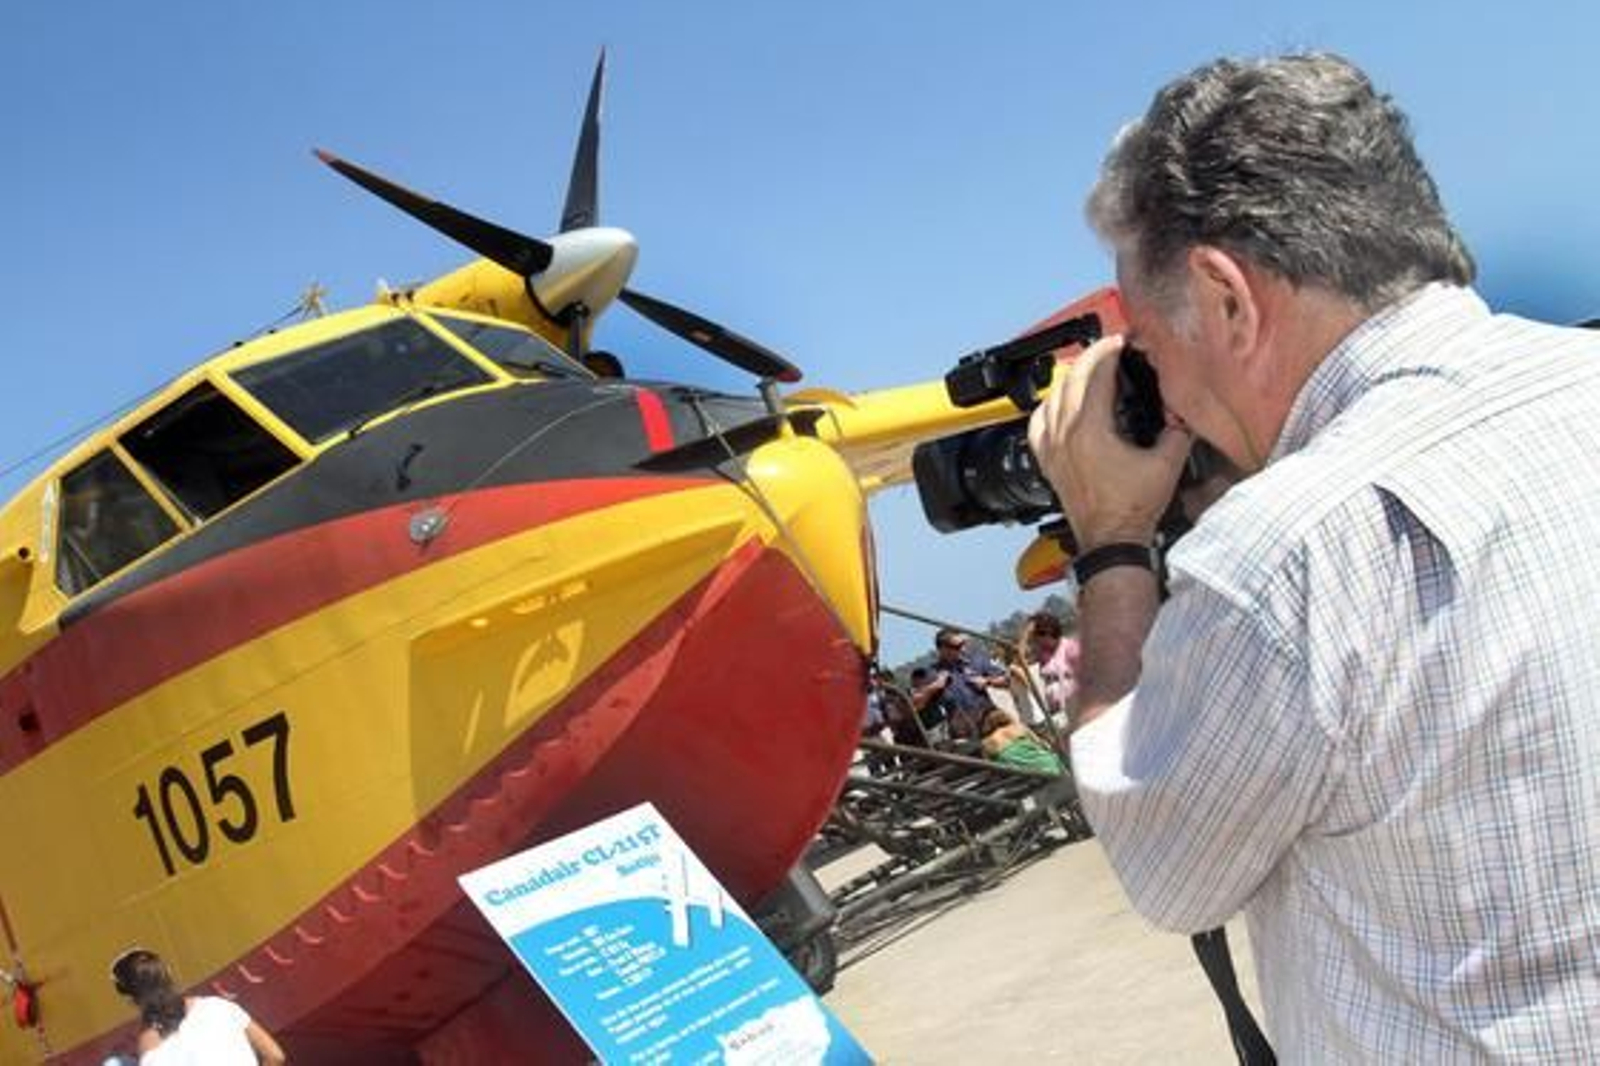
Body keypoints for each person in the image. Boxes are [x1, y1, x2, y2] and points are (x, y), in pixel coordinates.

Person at [1027, 52, 1600, 1059]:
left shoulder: (1285, 548)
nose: (1165, 402)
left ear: (1227, 298)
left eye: (1151, 354)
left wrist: (1112, 544)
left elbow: (1165, 863)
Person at [111, 948, 286, 1065]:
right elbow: (275, 1056)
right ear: (168, 975)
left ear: (131, 1000)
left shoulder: (150, 1046)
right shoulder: (219, 1007)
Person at [913, 628, 1009, 743]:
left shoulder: (976, 660)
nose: (963, 649)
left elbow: (1007, 680)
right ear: (942, 649)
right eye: (957, 646)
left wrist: (987, 681)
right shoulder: (932, 673)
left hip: (992, 725)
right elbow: (915, 704)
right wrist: (935, 686)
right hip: (964, 734)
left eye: (963, 644)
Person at [979, 708, 1064, 775]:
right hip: (1047, 765)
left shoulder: (986, 742)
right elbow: (1042, 744)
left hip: (1020, 775)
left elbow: (990, 768)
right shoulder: (1019, 728)